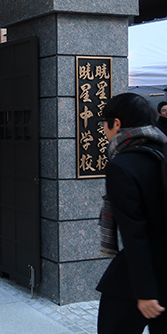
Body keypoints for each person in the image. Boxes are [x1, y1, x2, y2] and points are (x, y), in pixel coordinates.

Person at [96, 93, 167, 334]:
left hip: (144, 274)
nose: (103, 130)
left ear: (116, 123)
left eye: (103, 124)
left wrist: (145, 292)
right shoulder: (162, 150)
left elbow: (135, 233)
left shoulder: (122, 166)